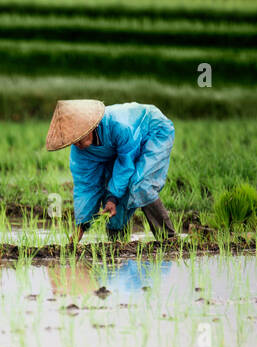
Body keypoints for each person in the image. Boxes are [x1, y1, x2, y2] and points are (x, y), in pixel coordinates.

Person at [44, 99, 177, 245]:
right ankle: (119, 247)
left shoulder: (118, 126)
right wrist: (81, 225)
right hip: (123, 148)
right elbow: (85, 186)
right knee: (112, 206)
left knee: (140, 184)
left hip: (153, 131)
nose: (77, 144)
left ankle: (170, 240)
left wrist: (113, 197)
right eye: (72, 140)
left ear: (90, 127)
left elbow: (126, 162)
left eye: (79, 136)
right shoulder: (80, 152)